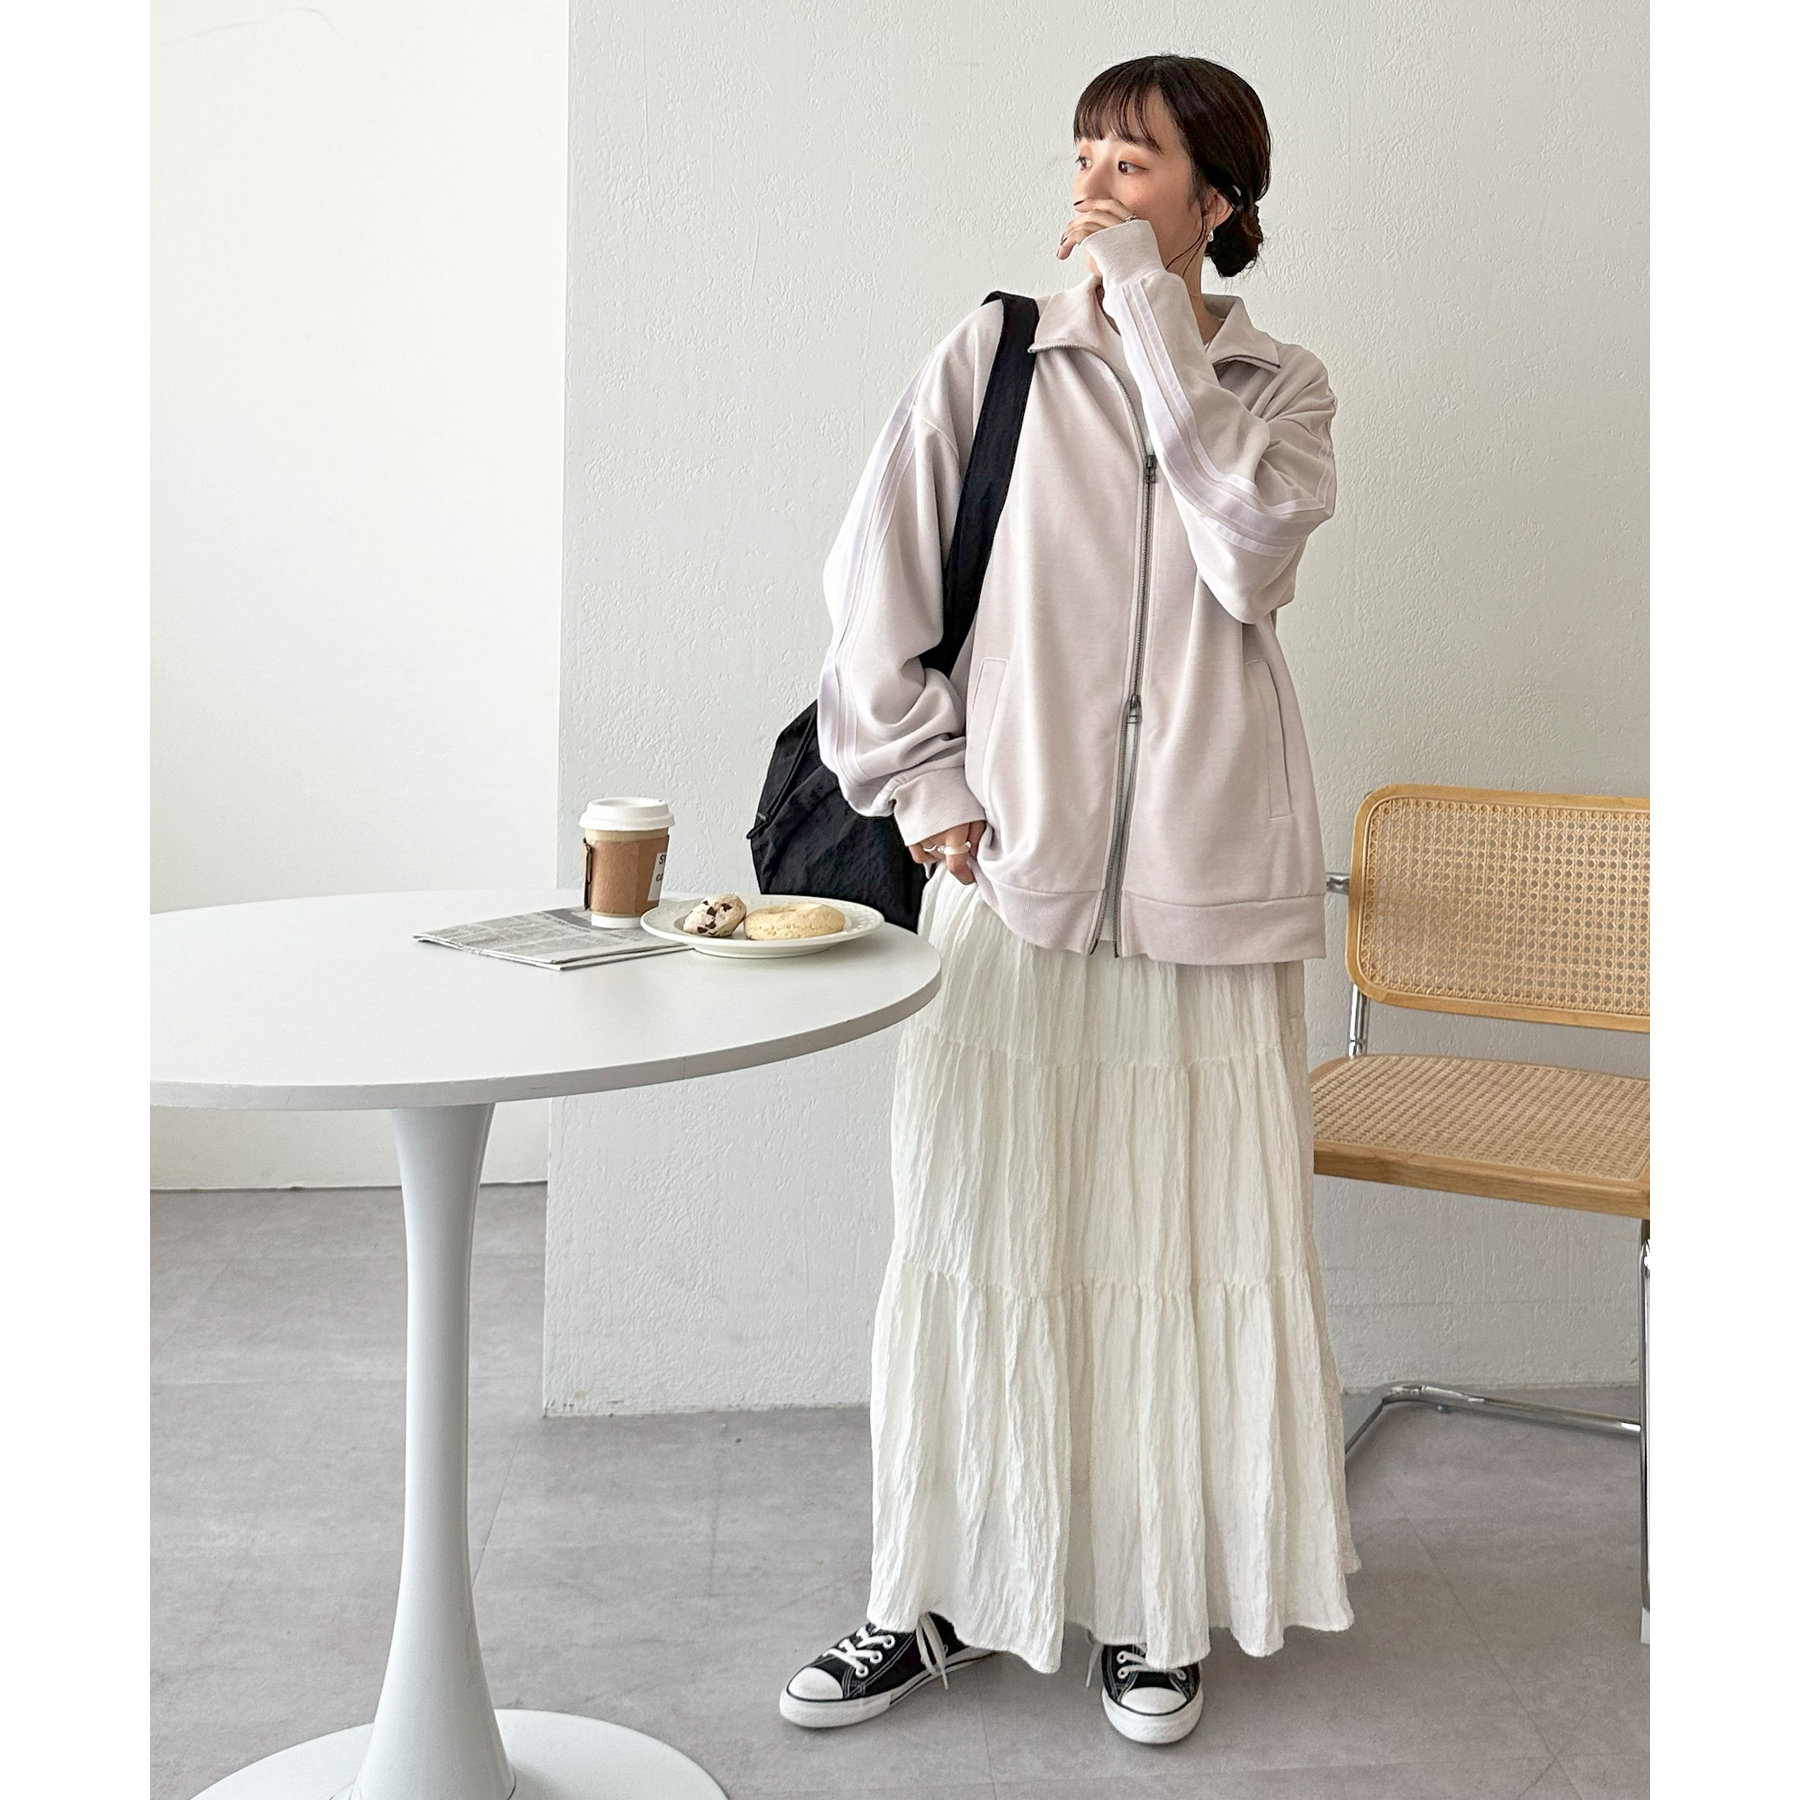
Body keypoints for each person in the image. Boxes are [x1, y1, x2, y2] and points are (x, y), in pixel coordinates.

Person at [781, 53, 1357, 1747]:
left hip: (1206, 900)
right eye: (1087, 153)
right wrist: (935, 796)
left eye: (1137, 161)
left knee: (1178, 1264)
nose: (1097, 181)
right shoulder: (994, 359)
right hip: (1010, 885)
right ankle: (931, 1594)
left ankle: (1154, 1606)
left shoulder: (1282, 386)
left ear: (1216, 201)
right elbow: (870, 603)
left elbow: (1247, 552)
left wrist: (1155, 324)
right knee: (975, 1250)